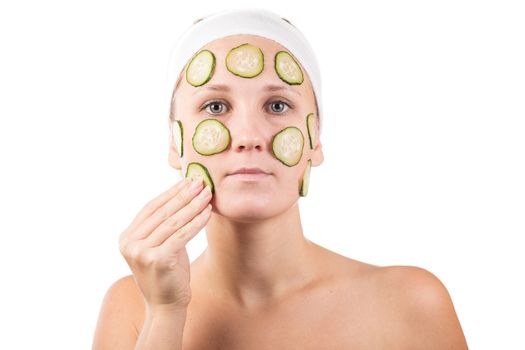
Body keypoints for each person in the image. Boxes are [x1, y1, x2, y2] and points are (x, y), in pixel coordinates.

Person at [92, 8, 468, 350]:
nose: (249, 136)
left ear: (315, 141)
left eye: (277, 106)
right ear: (176, 144)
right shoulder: (131, 308)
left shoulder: (411, 303)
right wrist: (165, 314)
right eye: (215, 106)